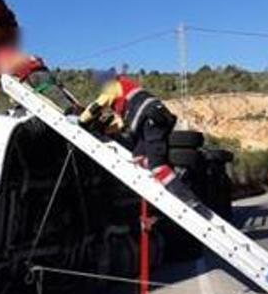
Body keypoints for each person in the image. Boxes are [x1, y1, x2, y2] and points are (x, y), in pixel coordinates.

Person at [78, 70, 198, 204]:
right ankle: (171, 174)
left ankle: (187, 197)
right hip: (152, 121)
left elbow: (97, 106)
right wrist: (105, 130)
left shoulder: (114, 87)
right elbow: (120, 125)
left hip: (151, 121)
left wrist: (82, 121)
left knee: (156, 166)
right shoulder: (126, 93)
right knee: (138, 156)